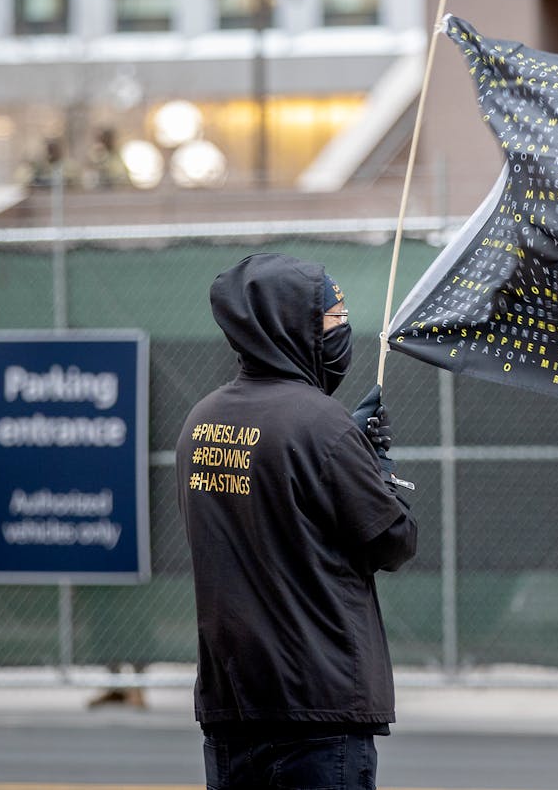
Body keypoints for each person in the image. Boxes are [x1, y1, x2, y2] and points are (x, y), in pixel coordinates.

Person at [176, 253, 416, 790]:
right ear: (290, 323)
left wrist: (343, 451)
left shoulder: (201, 421)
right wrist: (378, 469)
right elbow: (394, 541)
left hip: (231, 704)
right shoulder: (323, 426)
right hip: (318, 707)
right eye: (333, 318)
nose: (344, 330)